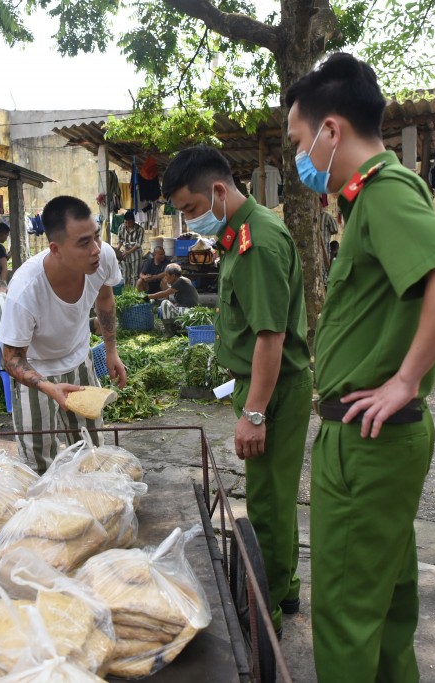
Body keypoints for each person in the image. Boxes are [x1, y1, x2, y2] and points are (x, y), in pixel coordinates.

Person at [285, 52, 435, 682]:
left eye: (298, 141)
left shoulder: (385, 192)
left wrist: (403, 379)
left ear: (332, 130)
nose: (299, 157)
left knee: (345, 615)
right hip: (383, 441)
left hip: (366, 441)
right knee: (388, 605)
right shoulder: (377, 196)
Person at [162, 144, 312, 637]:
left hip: (273, 388)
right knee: (275, 495)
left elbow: (271, 337)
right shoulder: (239, 234)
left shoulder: (257, 243)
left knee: (266, 506)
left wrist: (254, 413)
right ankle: (284, 586)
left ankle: (263, 616)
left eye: (190, 209)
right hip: (265, 384)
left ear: (219, 191)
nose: (188, 221)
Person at [0, 196, 127, 473]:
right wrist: (49, 387)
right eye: (83, 243)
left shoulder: (103, 257)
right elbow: (11, 360)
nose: (95, 250)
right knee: (40, 460)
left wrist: (111, 350)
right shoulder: (25, 290)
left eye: (97, 237)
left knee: (92, 452)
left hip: (80, 360)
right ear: (55, 249)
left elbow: (105, 299)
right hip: (38, 372)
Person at [144, 262, 199, 336]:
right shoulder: (180, 281)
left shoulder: (181, 281)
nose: (165, 277)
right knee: (162, 309)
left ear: (173, 276)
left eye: (166, 275)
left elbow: (165, 293)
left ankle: (170, 332)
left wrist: (148, 296)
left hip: (189, 313)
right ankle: (175, 328)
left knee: (165, 303)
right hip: (185, 310)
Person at [115, 210, 143, 286]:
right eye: (126, 222)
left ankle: (135, 293)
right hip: (124, 254)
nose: (127, 224)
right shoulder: (121, 227)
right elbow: (121, 240)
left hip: (136, 254)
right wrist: (116, 250)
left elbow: (138, 244)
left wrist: (128, 252)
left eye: (129, 222)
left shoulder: (140, 229)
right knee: (125, 274)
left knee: (135, 275)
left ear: (133, 221)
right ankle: (126, 292)